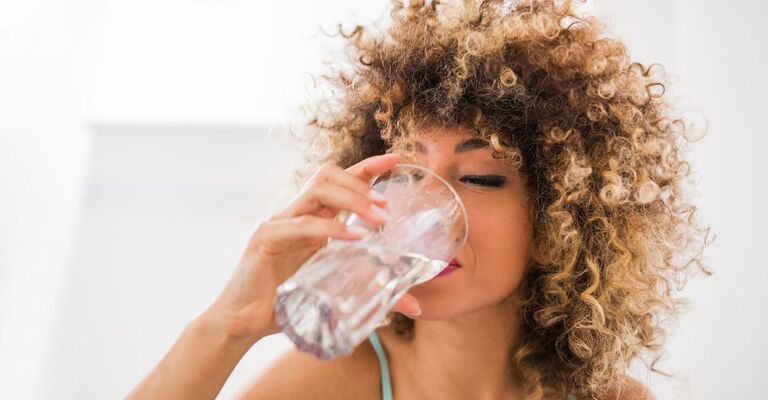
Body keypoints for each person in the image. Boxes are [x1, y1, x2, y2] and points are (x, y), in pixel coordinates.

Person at [126, 0, 713, 399]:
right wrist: (226, 327)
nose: (425, 208)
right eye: (406, 171)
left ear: (557, 223)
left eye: (481, 178)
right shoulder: (332, 381)